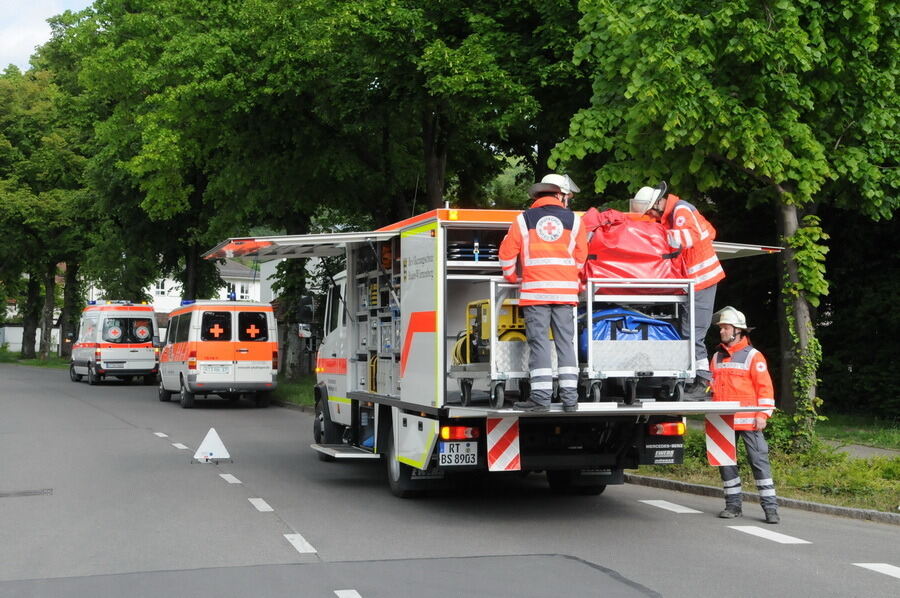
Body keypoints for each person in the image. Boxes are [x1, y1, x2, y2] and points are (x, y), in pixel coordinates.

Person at [499, 173, 588, 412]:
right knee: (565, 344)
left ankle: (541, 398)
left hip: (535, 292)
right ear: (559, 194)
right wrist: (571, 279)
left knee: (539, 344)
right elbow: (581, 257)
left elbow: (507, 254)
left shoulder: (523, 219)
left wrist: (511, 276)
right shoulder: (575, 220)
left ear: (538, 195)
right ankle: (570, 399)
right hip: (566, 294)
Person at [632, 182, 724, 398]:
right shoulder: (677, 213)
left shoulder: (680, 210)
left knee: (693, 333)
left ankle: (703, 383)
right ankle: (690, 378)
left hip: (702, 281)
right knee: (686, 330)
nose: (653, 219)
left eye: (652, 214)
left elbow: (689, 237)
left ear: (656, 205)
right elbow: (709, 231)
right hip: (694, 283)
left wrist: (655, 237)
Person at [709, 306, 779, 524]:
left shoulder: (753, 356)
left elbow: (765, 388)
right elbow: (710, 386)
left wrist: (763, 414)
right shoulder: (717, 356)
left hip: (749, 420)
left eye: (725, 328)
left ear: (738, 331)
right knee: (726, 463)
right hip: (722, 420)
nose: (721, 331)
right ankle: (733, 506)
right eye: (721, 328)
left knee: (759, 462)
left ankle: (770, 509)